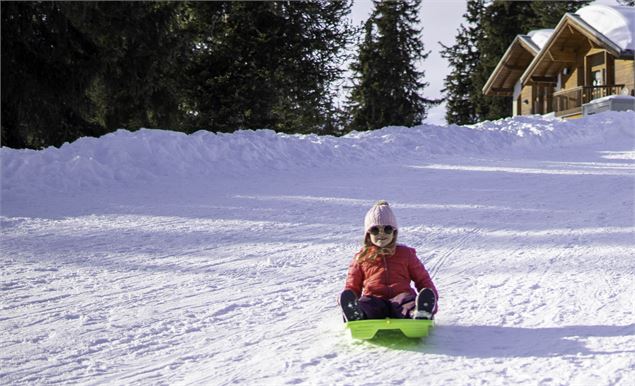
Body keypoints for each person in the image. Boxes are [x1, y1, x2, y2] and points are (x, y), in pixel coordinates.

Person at [339, 200, 438, 321]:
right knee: (366, 304)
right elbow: (352, 286)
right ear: (368, 234)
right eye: (375, 230)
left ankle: (420, 313)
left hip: (401, 297)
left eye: (387, 229)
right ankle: (356, 314)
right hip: (375, 298)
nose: (381, 234)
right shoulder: (361, 258)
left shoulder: (406, 254)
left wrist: (432, 301)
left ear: (394, 232)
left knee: (408, 302)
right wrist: (348, 298)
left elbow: (423, 280)